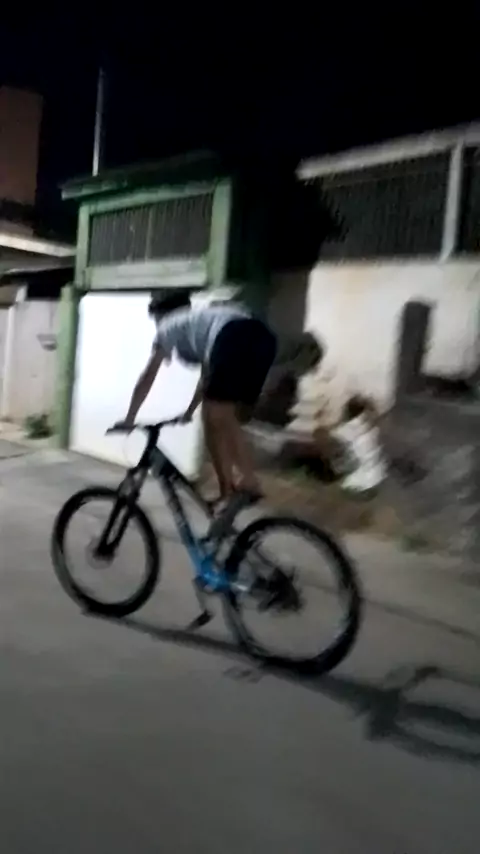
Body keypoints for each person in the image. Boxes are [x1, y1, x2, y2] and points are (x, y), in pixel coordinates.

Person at [115, 289, 323, 506]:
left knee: (217, 416)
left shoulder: (169, 324)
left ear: (160, 314)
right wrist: (189, 411)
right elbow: (208, 377)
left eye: (155, 318)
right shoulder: (202, 321)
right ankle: (235, 488)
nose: (156, 323)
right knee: (222, 418)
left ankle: (241, 485)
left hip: (234, 338)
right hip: (263, 341)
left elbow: (148, 375)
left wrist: (130, 418)